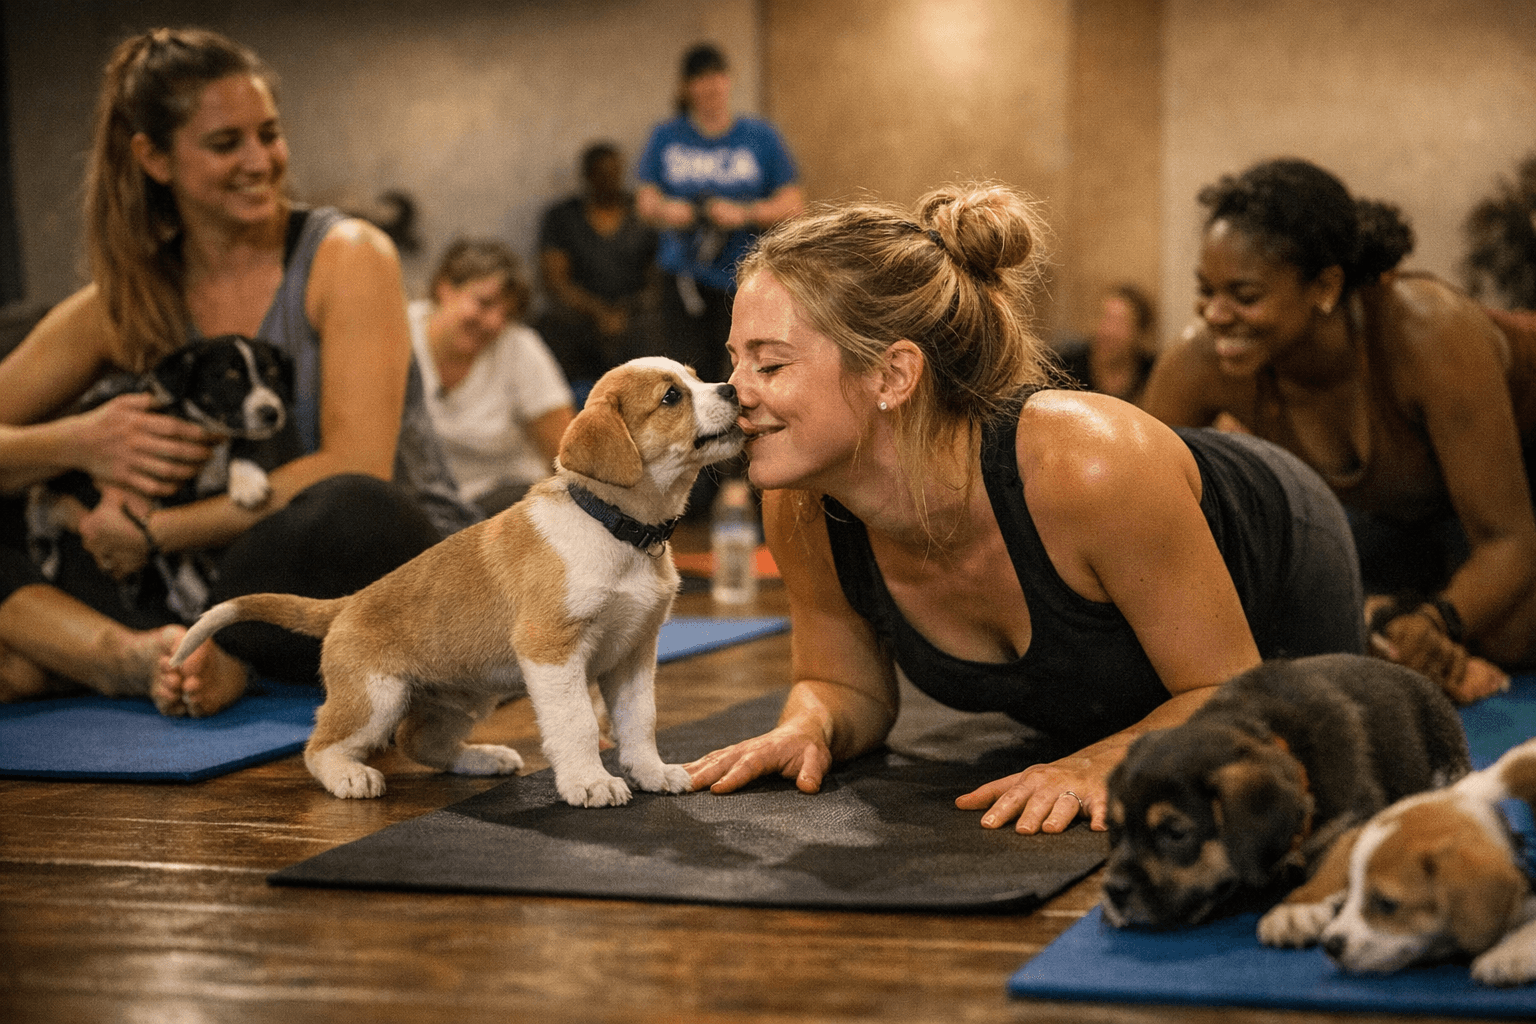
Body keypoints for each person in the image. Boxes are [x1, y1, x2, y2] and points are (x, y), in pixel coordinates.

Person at [684, 184, 1367, 836]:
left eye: (769, 366)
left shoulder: (1090, 467)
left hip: (1278, 571)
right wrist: (808, 726)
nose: (732, 391)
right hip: (1098, 674)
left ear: (893, 375)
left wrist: (1103, 762)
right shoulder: (800, 506)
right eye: (735, 360)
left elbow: (1230, 691)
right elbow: (840, 683)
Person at [0, 28, 448, 717]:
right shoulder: (125, 299)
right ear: (154, 159)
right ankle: (122, 656)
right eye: (225, 143)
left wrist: (156, 534)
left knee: (353, 508)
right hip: (198, 584)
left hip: (360, 569)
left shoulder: (348, 254)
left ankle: (168, 656)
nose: (260, 160)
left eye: (269, 134)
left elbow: (357, 462)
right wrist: (76, 443)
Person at [1141, 157, 1536, 704]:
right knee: (1318, 619)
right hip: (1409, 517)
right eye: (1206, 290)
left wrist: (1438, 622)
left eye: (1246, 295)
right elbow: (1130, 501)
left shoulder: (1430, 333)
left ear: (1325, 286)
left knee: (1510, 634)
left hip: (1515, 494)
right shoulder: (1201, 362)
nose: (1215, 314)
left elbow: (1510, 540)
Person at [634, 42, 803, 382]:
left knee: (747, 368)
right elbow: (644, 202)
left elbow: (794, 205)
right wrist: (671, 210)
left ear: (728, 80)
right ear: (685, 86)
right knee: (686, 372)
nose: (710, 86)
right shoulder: (666, 136)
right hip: (683, 277)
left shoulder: (760, 135)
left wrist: (743, 213)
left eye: (717, 77)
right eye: (700, 79)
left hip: (746, 275)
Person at [411, 239, 574, 517]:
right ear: (444, 288)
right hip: (420, 504)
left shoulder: (520, 348)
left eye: (507, 314)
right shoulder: (397, 333)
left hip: (504, 501)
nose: (494, 323)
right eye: (484, 303)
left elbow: (567, 456)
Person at [535, 142, 658, 389]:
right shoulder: (563, 218)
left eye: (615, 172)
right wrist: (599, 313)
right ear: (588, 176)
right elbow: (555, 281)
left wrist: (624, 312)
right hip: (579, 317)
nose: (609, 180)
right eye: (601, 173)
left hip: (633, 315)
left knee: (657, 328)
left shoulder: (641, 216)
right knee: (551, 327)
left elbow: (658, 277)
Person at [1054, 284, 1158, 405]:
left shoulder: (1153, 375)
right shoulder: (1064, 370)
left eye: (1119, 323)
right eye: (1104, 319)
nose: (1107, 331)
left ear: (1139, 332)